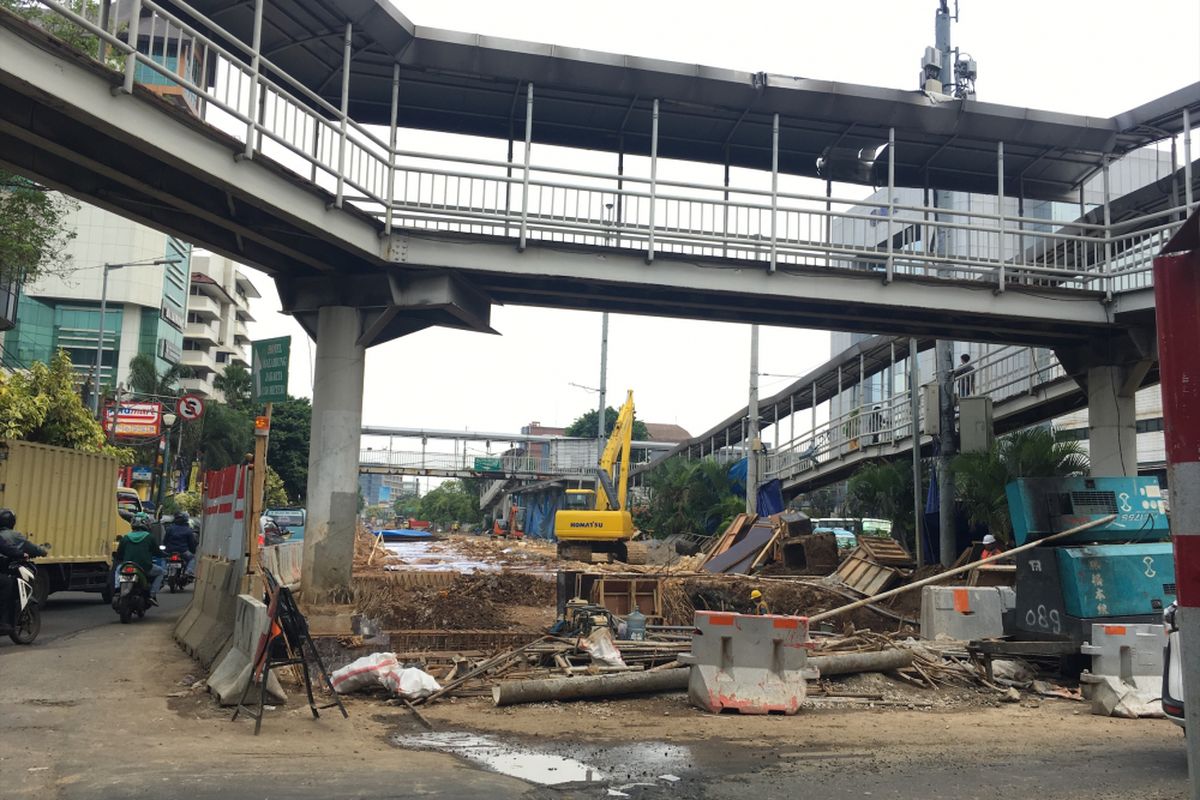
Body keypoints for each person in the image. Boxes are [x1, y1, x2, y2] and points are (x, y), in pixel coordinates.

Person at [0, 508, 48, 626]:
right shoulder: (14, 535)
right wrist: (22, 554)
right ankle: (3, 621)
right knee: (7, 584)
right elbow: (8, 549)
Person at [116, 512, 164, 601]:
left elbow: (119, 553)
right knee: (161, 572)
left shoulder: (126, 537)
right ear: (146, 523)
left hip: (127, 565)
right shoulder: (149, 537)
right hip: (145, 567)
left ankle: (117, 588)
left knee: (118, 569)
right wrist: (163, 554)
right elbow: (157, 552)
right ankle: (152, 594)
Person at [162, 511, 198, 577]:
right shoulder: (188, 530)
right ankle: (189, 571)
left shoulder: (170, 529)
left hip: (170, 550)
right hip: (183, 551)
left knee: (163, 558)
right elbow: (191, 543)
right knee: (192, 558)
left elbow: (165, 540)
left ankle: (164, 571)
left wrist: (165, 548)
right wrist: (193, 551)